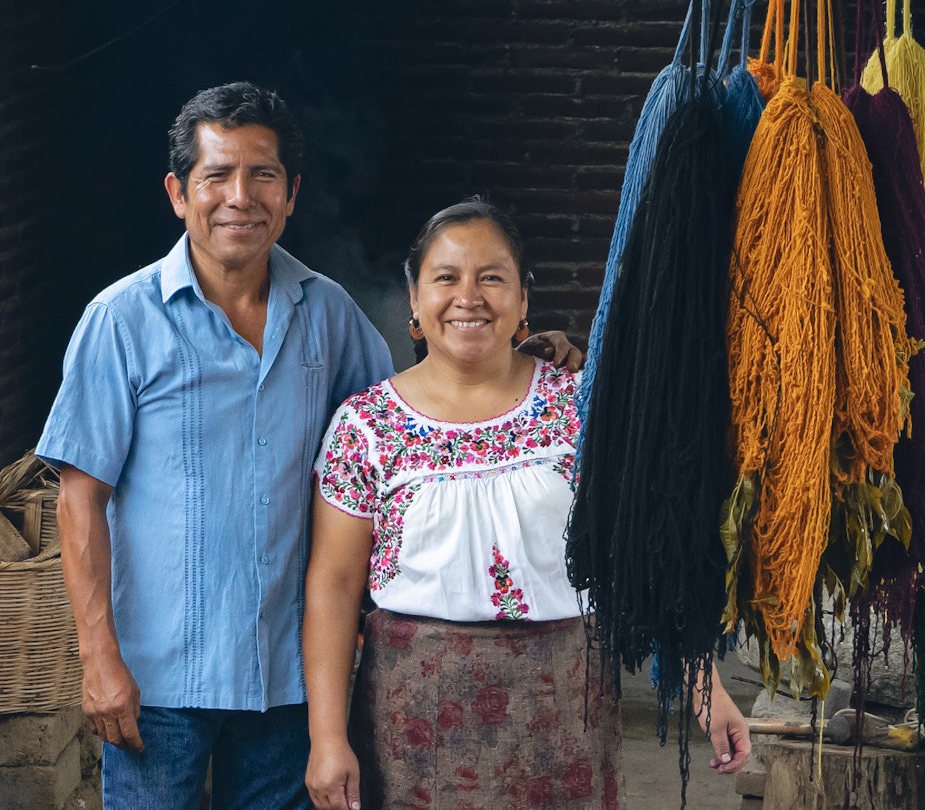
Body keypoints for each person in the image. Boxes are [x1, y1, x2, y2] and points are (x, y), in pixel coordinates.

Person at [37, 84, 579, 809]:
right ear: (177, 193)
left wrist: (523, 359)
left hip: (285, 684)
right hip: (158, 679)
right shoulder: (120, 322)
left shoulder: (328, 315)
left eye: (262, 175)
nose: (240, 196)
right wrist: (97, 655)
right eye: (216, 176)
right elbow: (81, 500)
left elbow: (413, 419)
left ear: (290, 193)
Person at [303, 199, 751, 810]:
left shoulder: (580, 408)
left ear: (522, 300)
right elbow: (333, 584)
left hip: (564, 709)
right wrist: (326, 739)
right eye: (446, 278)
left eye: (492, 277)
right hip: (413, 719)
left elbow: (640, 553)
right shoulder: (366, 426)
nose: (469, 296)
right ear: (414, 300)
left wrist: (705, 687)